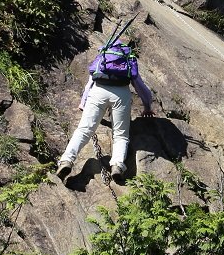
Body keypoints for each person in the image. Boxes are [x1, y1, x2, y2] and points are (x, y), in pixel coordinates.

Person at [56, 40, 154, 182]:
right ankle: (117, 165)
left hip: (98, 91)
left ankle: (66, 161)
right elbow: (140, 86)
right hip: (121, 94)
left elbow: (90, 81)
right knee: (120, 135)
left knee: (84, 130)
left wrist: (83, 103)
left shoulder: (104, 54)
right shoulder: (127, 57)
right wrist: (147, 106)